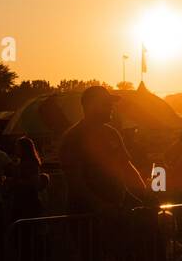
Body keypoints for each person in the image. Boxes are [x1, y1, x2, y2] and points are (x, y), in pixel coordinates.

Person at [59, 86, 149, 214]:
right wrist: (101, 207)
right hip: (86, 216)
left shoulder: (112, 133)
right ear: (91, 106)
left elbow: (126, 167)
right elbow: (75, 182)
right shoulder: (73, 138)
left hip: (115, 211)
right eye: (106, 104)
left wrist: (145, 195)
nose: (111, 107)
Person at [9, 136, 48, 222]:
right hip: (24, 199)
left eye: (17, 147)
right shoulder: (25, 163)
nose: (15, 149)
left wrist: (16, 182)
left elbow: (33, 182)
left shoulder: (29, 164)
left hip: (27, 200)